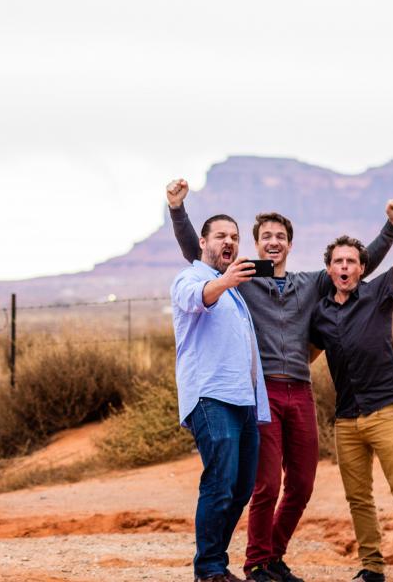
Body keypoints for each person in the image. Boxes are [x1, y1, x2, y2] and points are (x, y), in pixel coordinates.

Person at [167, 180, 393, 582]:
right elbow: (201, 257)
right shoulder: (242, 280)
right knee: (263, 486)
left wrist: (391, 228)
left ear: (290, 245)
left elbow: (358, 267)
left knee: (301, 483)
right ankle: (256, 562)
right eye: (265, 237)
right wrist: (178, 210)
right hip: (262, 393)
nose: (273, 242)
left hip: (301, 389)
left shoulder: (310, 283)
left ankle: (271, 556)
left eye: (280, 236)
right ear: (256, 246)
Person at [309, 167, 393, 582]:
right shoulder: (320, 314)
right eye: (338, 262)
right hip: (347, 418)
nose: (345, 267)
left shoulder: (380, 291)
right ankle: (371, 566)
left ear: (361, 266)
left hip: (386, 410)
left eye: (352, 261)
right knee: (358, 498)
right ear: (329, 269)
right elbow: (302, 357)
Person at [170, 213, 270, 582]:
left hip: (243, 401)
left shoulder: (233, 291)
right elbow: (196, 299)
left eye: (234, 237)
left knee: (241, 487)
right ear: (203, 242)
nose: (229, 242)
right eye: (220, 236)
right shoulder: (191, 278)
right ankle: (210, 569)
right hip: (211, 396)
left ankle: (214, 561)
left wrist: (229, 283)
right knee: (220, 482)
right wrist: (226, 282)